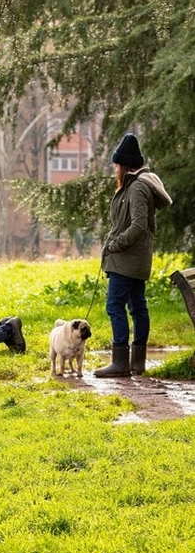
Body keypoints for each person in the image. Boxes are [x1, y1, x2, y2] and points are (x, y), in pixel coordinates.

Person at [93, 133, 172, 377]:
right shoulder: (135, 185)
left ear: (125, 165)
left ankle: (120, 363)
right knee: (138, 306)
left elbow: (138, 226)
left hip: (126, 259)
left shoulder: (137, 187)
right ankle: (137, 362)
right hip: (134, 259)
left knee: (115, 305)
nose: (115, 169)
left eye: (117, 164)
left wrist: (115, 244)